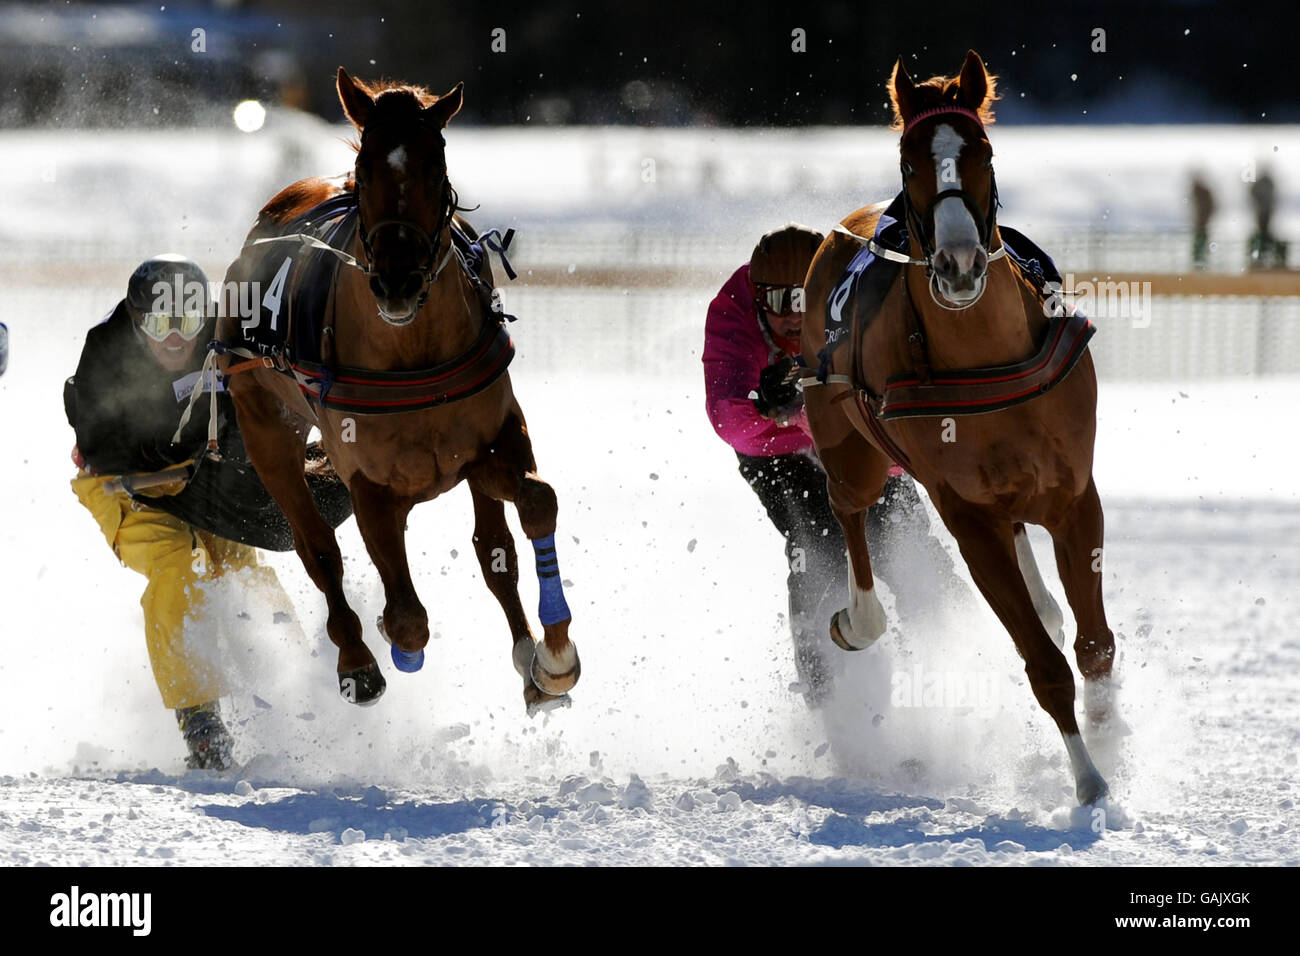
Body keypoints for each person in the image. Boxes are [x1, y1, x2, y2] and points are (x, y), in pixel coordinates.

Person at [64, 254, 350, 769]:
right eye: (159, 324)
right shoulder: (105, 352)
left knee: (240, 568)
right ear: (136, 321)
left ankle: (305, 694)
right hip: (124, 483)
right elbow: (105, 452)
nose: (176, 339)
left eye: (189, 323)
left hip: (208, 474)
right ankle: (200, 723)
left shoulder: (231, 335)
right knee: (181, 562)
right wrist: (161, 475)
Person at [702, 224, 968, 707]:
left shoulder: (852, 302)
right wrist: (774, 407)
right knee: (817, 543)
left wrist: (804, 408)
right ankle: (826, 697)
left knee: (904, 544)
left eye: (805, 299)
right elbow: (727, 419)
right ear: (756, 297)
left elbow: (885, 414)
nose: (794, 316)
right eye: (780, 303)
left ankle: (967, 653)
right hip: (774, 453)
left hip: (849, 435)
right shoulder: (731, 309)